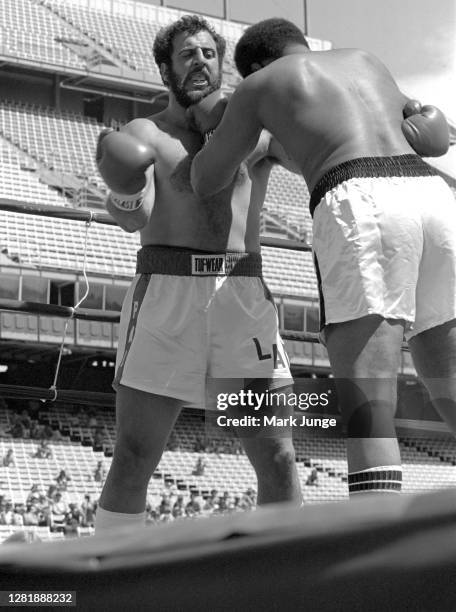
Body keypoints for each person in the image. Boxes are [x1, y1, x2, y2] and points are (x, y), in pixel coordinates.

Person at [190, 18, 454, 497]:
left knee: (366, 403)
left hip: (363, 201)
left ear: (256, 65)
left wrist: (219, 126)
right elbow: (436, 136)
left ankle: (373, 563)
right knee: (449, 383)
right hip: (435, 196)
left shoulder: (259, 85)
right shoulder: (365, 61)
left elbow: (206, 181)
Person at [94, 14, 304, 535]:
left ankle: (281, 585)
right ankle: (110, 586)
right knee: (137, 453)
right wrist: (120, 188)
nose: (201, 62)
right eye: (188, 54)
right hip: (167, 293)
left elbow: (313, 154)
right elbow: (132, 216)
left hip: (243, 294)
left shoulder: (254, 128)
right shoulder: (146, 133)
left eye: (209, 53)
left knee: (277, 455)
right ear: (166, 70)